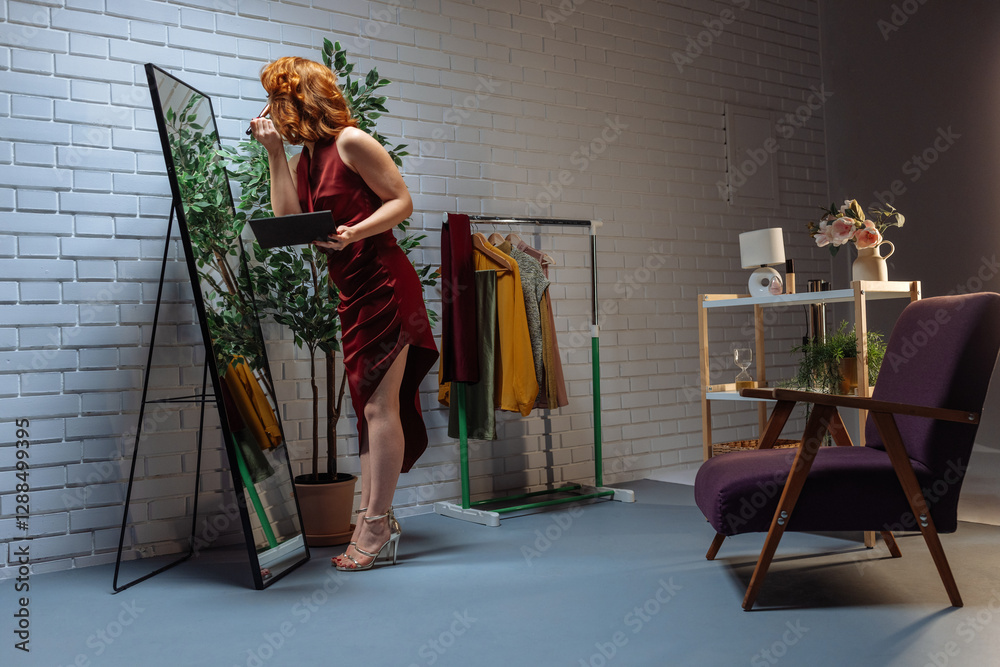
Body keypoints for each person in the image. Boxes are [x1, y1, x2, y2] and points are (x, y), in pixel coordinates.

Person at [251, 57, 438, 571]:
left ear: (300, 99)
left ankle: (376, 524)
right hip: (351, 290)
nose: (269, 110)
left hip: (383, 284)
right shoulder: (304, 157)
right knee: (368, 410)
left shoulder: (351, 141)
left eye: (275, 99)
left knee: (379, 408)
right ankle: (371, 519)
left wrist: (355, 231)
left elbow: (401, 202)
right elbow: (287, 221)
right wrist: (273, 153)